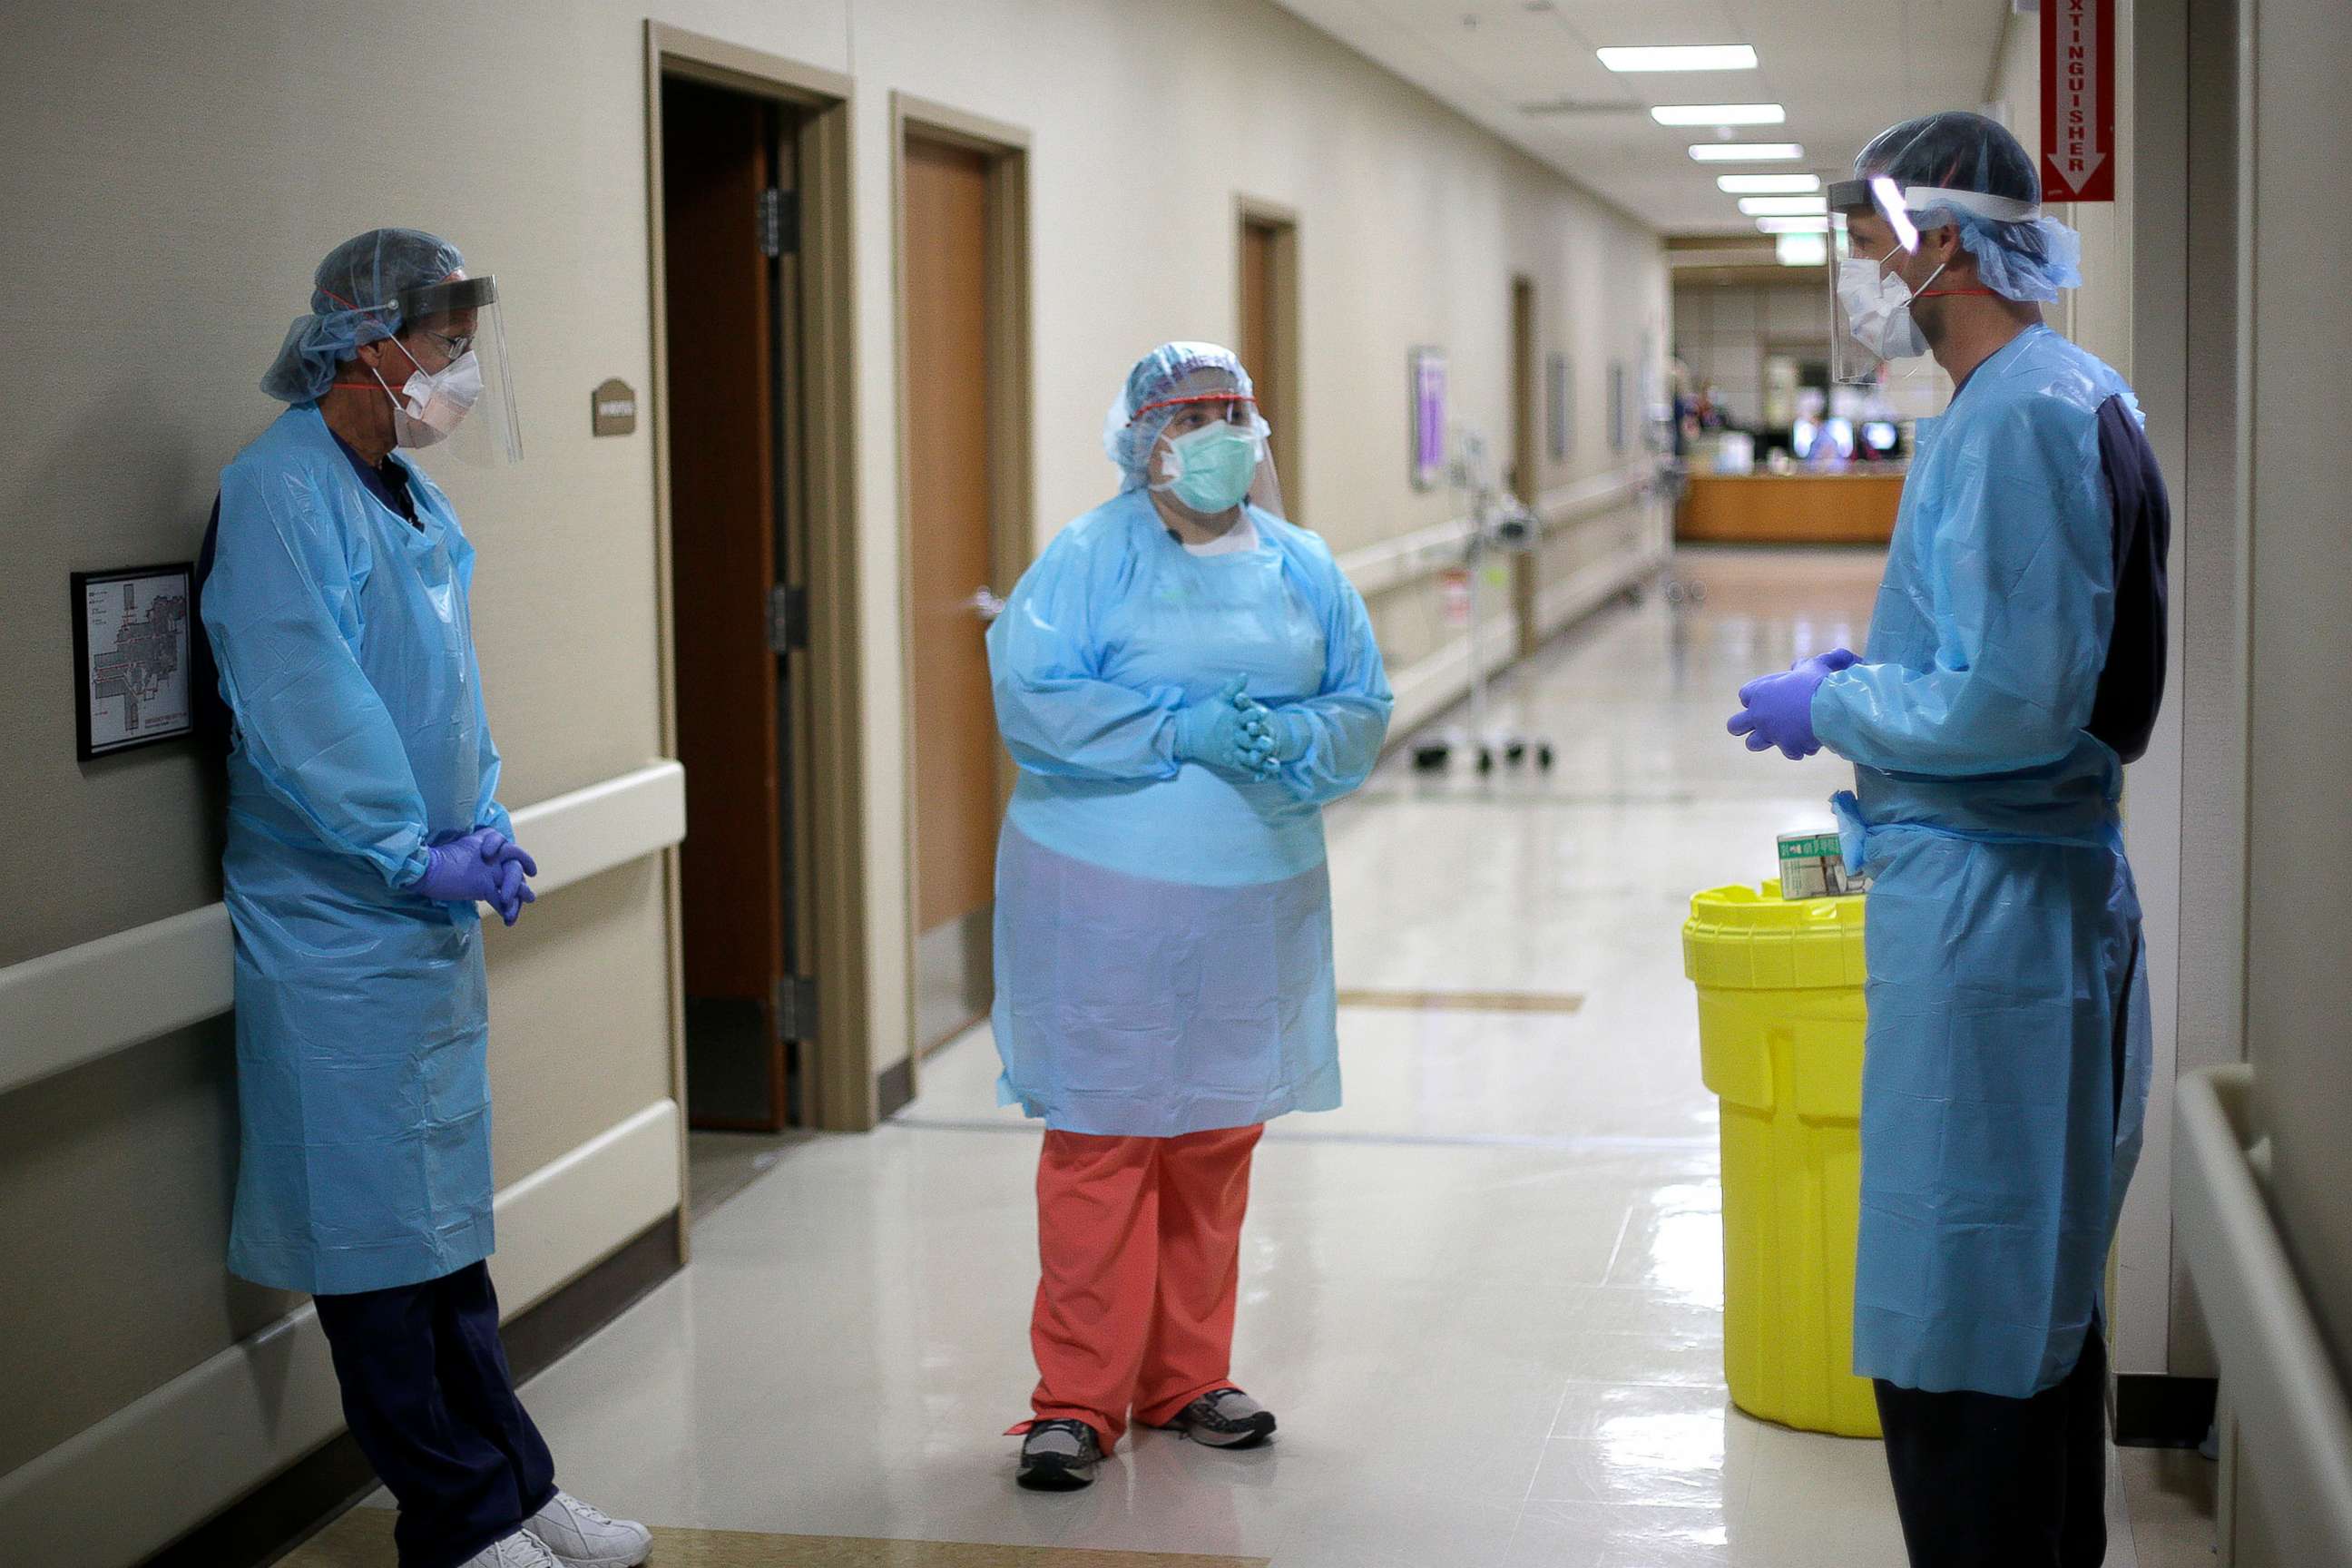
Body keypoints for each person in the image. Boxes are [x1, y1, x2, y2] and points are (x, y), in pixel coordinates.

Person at [1725, 113, 2169, 1568]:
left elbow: (2012, 700)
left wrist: (1841, 700)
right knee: (2024, 1294)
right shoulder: (2048, 395)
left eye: (1873, 248)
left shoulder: (2024, 413)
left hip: (1999, 916)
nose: (1867, 278)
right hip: (2013, 894)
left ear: (1951, 245)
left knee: (1966, 1302)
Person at [199, 230, 651, 1568]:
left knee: (445, 1245)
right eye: (442, 346)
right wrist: (409, 850)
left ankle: (514, 1486)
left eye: (462, 348)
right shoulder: (278, 494)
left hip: (415, 921)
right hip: (335, 922)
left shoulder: (402, 492)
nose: (456, 372)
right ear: (364, 342)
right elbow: (303, 707)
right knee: (376, 1256)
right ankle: (454, 1523)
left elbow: (446, 688)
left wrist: (484, 819)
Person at [986, 343, 1392, 1490]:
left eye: (1233, 411)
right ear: (1141, 436)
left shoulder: (1303, 566)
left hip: (1250, 898)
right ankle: (1075, 1399)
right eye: (1190, 413)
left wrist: (1299, 741)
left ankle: (1185, 1379)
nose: (1217, 432)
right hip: (1100, 900)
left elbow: (1360, 701)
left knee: (1214, 1137)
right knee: (1106, 1139)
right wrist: (1179, 726)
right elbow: (1033, 700)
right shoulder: (1085, 559)